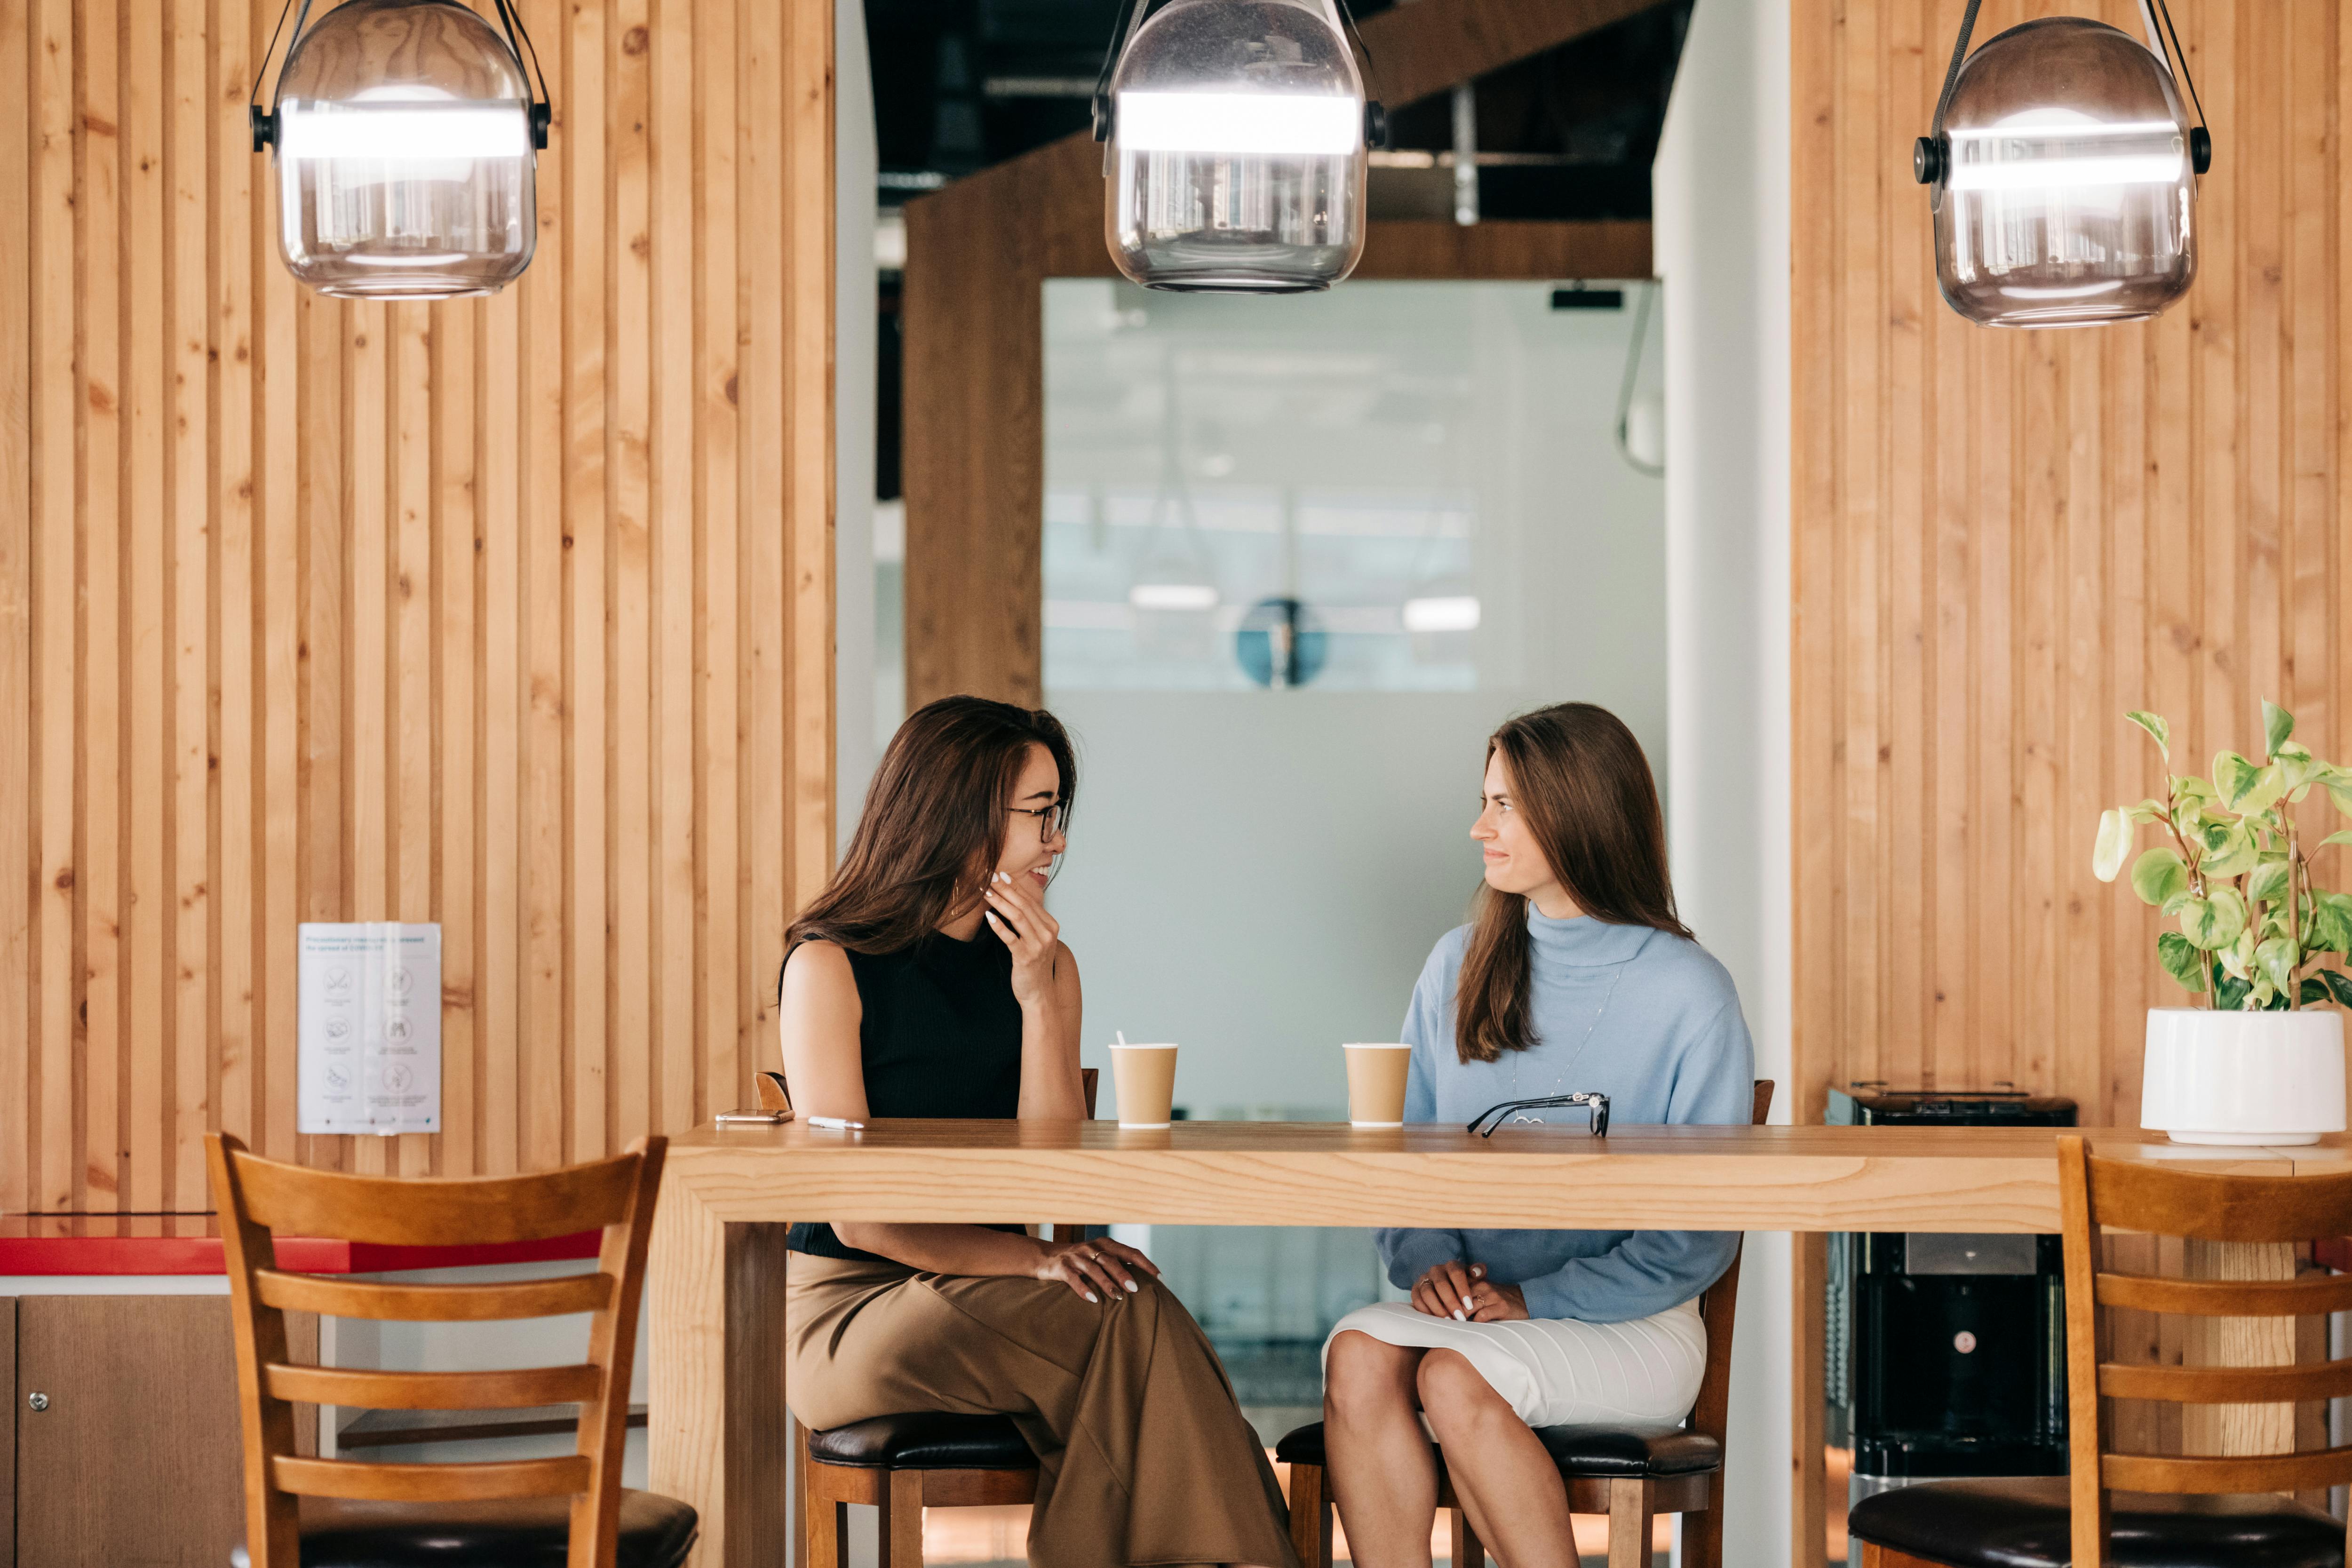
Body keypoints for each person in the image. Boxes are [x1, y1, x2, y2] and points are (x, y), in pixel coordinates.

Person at [777, 694, 1296, 1568]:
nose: (1057, 840)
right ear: (959, 810)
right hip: (852, 1309)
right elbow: (861, 1220)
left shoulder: (1047, 965)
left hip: (1004, 1298)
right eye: (1038, 815)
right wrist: (1035, 1260)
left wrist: (1039, 1000)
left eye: (1059, 816)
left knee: (1129, 1331)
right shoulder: (829, 964)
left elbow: (1056, 1186)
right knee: (1131, 1324)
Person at [1321, 702, 1755, 1568]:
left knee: (1452, 1374)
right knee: (1358, 1352)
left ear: (1578, 811)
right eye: (1485, 800)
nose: (1478, 826)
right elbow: (1411, 1157)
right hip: (1478, 1313)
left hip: (1637, 1325)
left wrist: (1536, 1300)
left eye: (1505, 806)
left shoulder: (1690, 990)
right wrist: (1429, 1260)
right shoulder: (1457, 963)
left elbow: (1700, 1231)